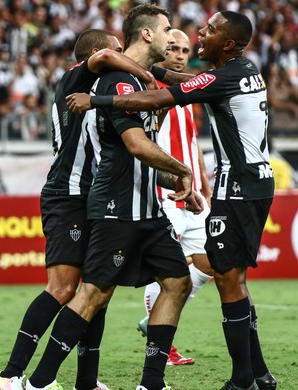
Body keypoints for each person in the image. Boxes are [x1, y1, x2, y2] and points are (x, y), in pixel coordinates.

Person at [67, 10, 277, 390]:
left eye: (210, 30)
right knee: (231, 277)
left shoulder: (222, 76)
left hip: (239, 187)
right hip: (255, 184)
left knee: (229, 280)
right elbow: (183, 80)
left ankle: (245, 379)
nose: (202, 32)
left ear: (227, 45)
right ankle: (258, 374)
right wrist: (150, 69)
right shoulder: (243, 71)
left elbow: (158, 98)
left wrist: (97, 100)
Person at [23, 4, 200, 390]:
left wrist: (175, 182)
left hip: (147, 207)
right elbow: (135, 146)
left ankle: (151, 382)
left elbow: (147, 145)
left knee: (177, 282)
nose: (174, 36)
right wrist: (183, 169)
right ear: (148, 34)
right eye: (167, 29)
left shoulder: (140, 84)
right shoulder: (116, 80)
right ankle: (35, 381)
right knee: (88, 294)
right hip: (115, 206)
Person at [0, 28, 156, 390]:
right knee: (62, 287)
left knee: (95, 290)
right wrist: (144, 74)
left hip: (93, 196)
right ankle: (9, 375)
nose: (124, 59)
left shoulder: (101, 91)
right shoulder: (75, 76)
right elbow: (104, 57)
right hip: (67, 193)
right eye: (120, 52)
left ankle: (86, 381)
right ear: (99, 53)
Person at [136, 28, 213, 367]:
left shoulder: (187, 93)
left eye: (185, 49)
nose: (181, 54)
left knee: (214, 262)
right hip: (164, 193)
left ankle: (150, 323)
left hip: (193, 192)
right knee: (169, 274)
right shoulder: (152, 90)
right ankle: (162, 345)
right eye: (174, 48)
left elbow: (191, 139)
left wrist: (202, 179)